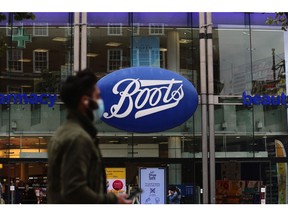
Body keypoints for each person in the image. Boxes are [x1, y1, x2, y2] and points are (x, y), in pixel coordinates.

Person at [47, 70, 132, 204]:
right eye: (97, 97)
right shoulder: (78, 138)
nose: (100, 102)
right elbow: (74, 190)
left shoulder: (63, 132)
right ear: (85, 101)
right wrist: (111, 199)